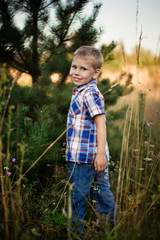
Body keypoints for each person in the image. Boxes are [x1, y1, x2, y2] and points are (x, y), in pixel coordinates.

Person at [66, 46, 115, 234]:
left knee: (76, 199)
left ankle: (76, 234)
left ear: (96, 72)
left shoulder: (89, 93)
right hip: (91, 157)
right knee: (102, 195)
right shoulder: (81, 91)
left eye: (83, 69)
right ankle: (110, 231)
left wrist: (100, 154)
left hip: (85, 159)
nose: (76, 72)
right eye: (74, 67)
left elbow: (100, 122)